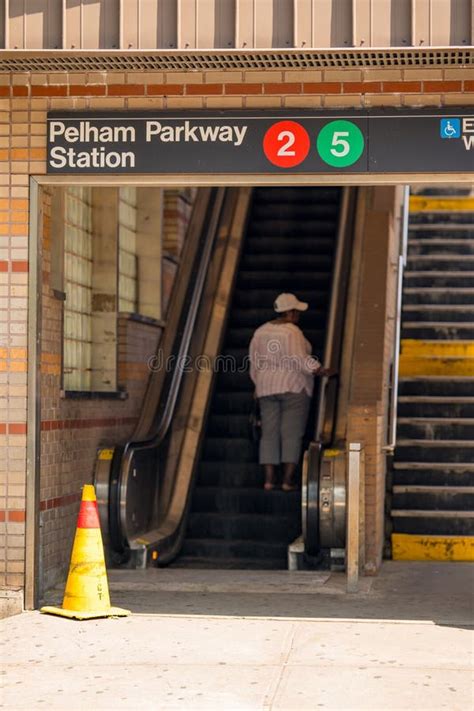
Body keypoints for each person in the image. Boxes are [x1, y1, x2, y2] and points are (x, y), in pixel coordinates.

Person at [249, 293, 332, 491]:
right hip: (293, 387)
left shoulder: (260, 332)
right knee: (291, 434)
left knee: (268, 434)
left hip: (266, 388)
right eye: (296, 312)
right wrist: (320, 370)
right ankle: (287, 481)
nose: (298, 316)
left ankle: (269, 480)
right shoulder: (292, 332)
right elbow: (299, 358)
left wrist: (259, 383)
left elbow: (254, 364)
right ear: (289, 312)